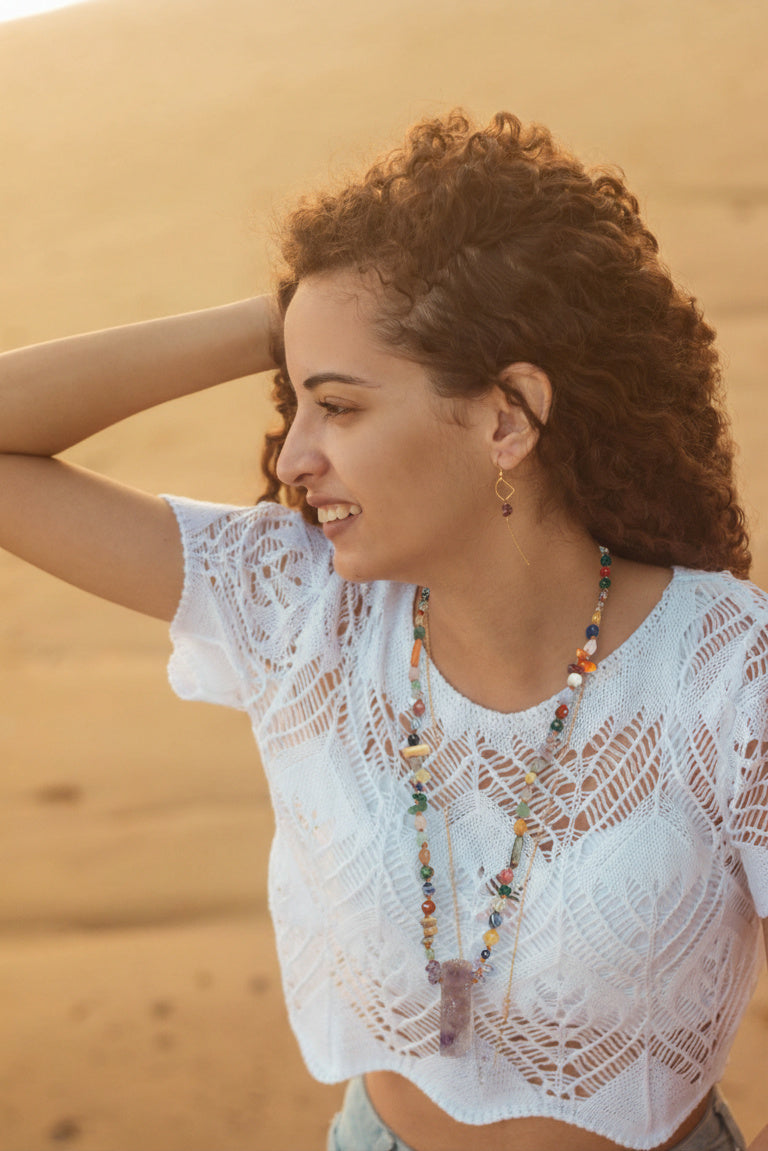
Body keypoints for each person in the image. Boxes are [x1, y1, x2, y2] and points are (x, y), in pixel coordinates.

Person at [0, 109, 766, 1151]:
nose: (291, 460)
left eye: (340, 408)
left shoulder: (729, 672)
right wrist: (289, 317)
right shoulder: (298, 609)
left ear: (508, 418)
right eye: (295, 400)